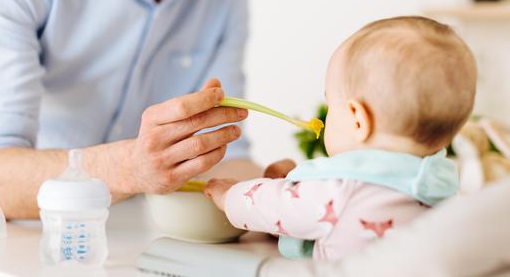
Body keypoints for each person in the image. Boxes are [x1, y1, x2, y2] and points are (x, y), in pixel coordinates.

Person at [0, 0, 261, 220]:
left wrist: (274, 197)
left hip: (138, 243)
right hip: (27, 241)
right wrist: (130, 167)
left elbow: (225, 155)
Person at [205, 16, 478, 261]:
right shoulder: (445, 194)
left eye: (331, 105)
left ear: (358, 119)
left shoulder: (342, 189)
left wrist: (230, 195)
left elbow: (272, 205)